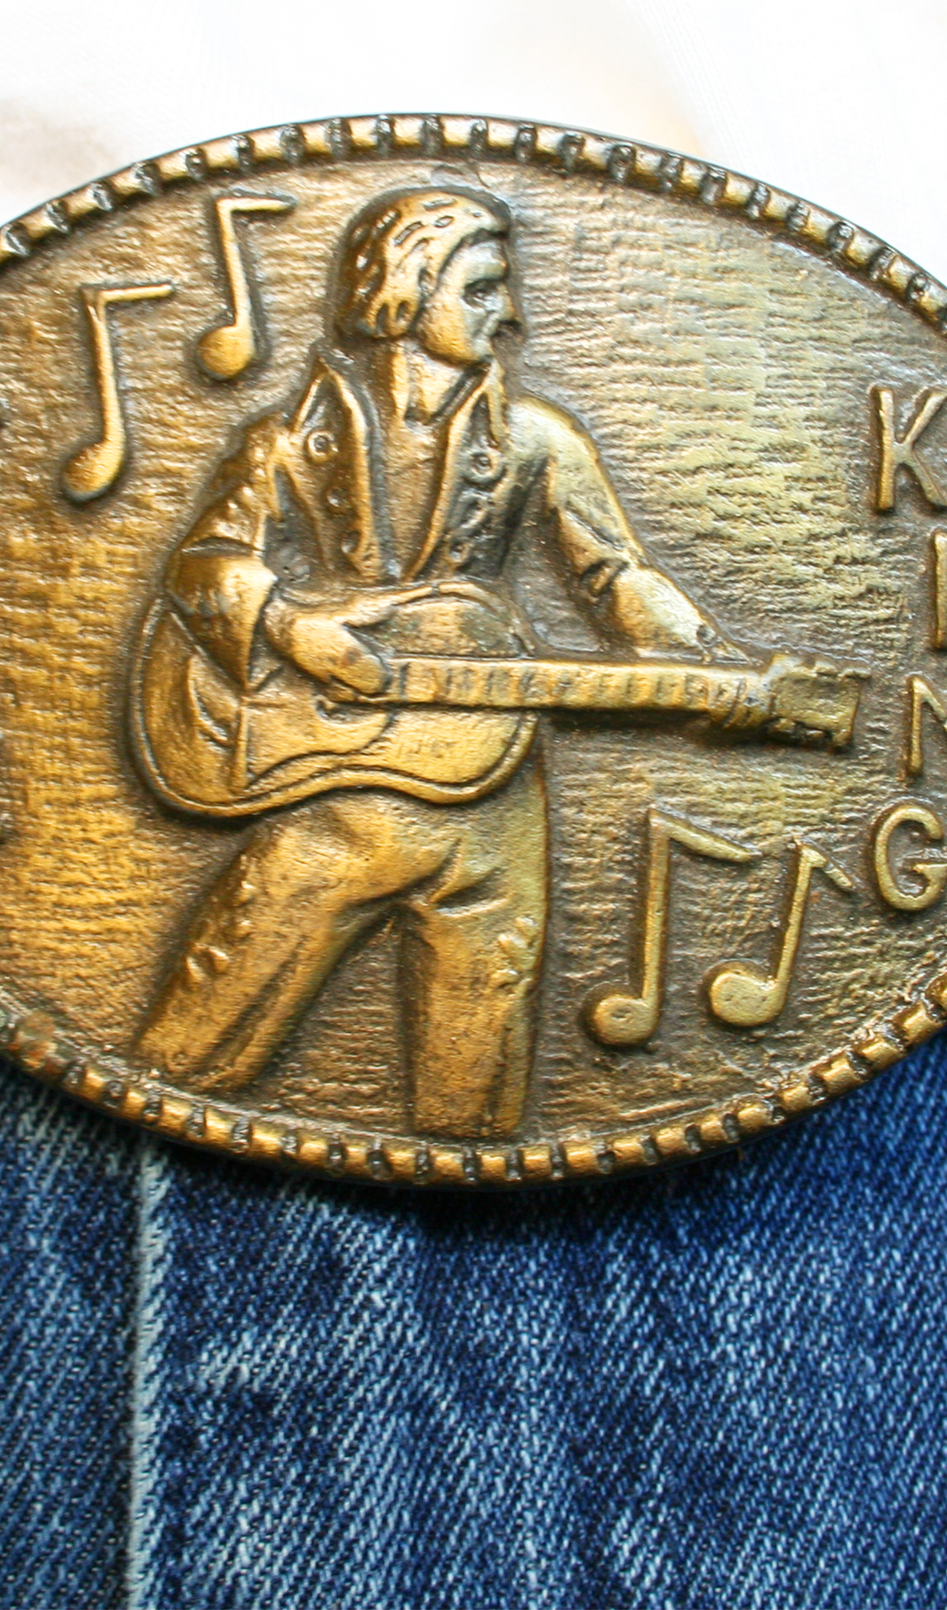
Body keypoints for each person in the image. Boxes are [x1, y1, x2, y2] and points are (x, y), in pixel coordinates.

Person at [134, 185, 726, 1136]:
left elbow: (618, 574)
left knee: (482, 1074)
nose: (512, 313)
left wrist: (710, 667)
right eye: (485, 287)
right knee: (192, 1048)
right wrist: (293, 629)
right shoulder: (291, 438)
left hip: (493, 790)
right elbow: (204, 566)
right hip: (336, 785)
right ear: (407, 293)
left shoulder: (538, 440)